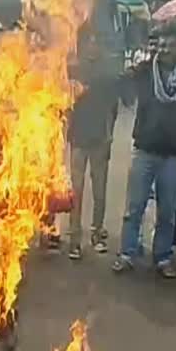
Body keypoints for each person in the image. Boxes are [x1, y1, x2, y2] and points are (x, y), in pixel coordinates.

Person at [114, 25, 176, 279]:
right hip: (144, 151)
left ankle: (163, 256)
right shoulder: (144, 72)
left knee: (167, 211)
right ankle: (127, 253)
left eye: (170, 45)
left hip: (174, 155)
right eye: (161, 44)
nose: (164, 49)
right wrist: (123, 75)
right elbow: (123, 88)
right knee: (134, 208)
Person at [67, 30, 120, 260]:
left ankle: (97, 233)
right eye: (89, 41)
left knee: (100, 190)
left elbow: (113, 109)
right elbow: (64, 103)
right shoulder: (73, 70)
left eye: (96, 41)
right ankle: (74, 240)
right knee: (75, 191)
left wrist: (109, 135)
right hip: (78, 137)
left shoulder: (107, 74)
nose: (92, 45)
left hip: (99, 138)